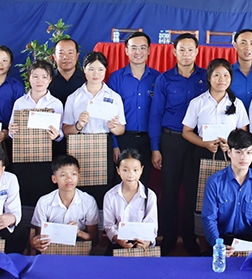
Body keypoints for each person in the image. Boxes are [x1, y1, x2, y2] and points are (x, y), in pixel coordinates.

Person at [148, 33, 206, 255]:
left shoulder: (205, 77)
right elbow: (155, 115)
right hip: (170, 140)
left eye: (190, 50)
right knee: (170, 192)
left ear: (197, 51)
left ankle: (190, 238)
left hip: (197, 142)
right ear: (174, 52)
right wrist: (155, 148)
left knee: (193, 192)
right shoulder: (164, 79)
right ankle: (170, 236)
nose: (186, 54)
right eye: (181, 50)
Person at [182, 59, 250, 232]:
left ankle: (226, 237)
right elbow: (187, 131)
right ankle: (201, 239)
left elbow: (243, 134)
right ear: (209, 78)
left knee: (227, 197)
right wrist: (204, 143)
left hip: (230, 157)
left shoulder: (237, 104)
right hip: (202, 154)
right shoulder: (198, 102)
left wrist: (232, 145)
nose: (222, 79)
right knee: (201, 197)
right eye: (217, 75)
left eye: (226, 75)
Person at [201, 129, 252, 255]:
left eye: (249, 152)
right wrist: (217, 245)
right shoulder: (214, 182)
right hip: (222, 240)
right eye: (238, 152)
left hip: (251, 241)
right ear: (229, 152)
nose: (243, 157)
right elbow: (209, 218)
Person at [62, 51, 126, 193]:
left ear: (105, 70)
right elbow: (66, 130)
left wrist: (113, 127)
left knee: (103, 188)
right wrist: (78, 125)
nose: (95, 73)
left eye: (100, 69)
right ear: (84, 70)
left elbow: (121, 130)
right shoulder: (74, 97)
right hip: (79, 144)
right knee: (79, 187)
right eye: (91, 69)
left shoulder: (114, 97)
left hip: (104, 143)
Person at [9, 60, 64, 206]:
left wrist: (56, 135)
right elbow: (11, 131)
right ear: (29, 78)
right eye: (35, 76)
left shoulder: (55, 103)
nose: (39, 80)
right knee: (24, 195)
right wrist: (12, 131)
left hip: (46, 156)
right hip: (23, 156)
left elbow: (61, 134)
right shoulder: (20, 103)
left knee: (44, 194)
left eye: (44, 77)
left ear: (50, 79)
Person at [107, 31, 159, 186]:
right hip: (123, 139)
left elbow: (158, 114)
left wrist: (155, 147)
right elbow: (109, 115)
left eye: (142, 48)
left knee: (144, 184)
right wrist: (115, 145)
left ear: (149, 51)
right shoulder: (116, 78)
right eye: (133, 48)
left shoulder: (158, 78)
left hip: (147, 140)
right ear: (126, 50)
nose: (138, 52)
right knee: (120, 185)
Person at [30, 155, 99, 253]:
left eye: (73, 174)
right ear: (54, 179)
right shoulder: (44, 202)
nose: (69, 179)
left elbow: (95, 239)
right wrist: (35, 243)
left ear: (79, 176)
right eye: (63, 175)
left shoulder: (88, 201)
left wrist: (79, 233)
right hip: (51, 249)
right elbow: (40, 237)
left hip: (79, 249)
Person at [103, 148, 158, 251]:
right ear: (118, 170)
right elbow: (109, 225)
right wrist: (118, 238)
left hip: (142, 243)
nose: (130, 175)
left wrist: (146, 242)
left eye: (135, 170)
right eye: (125, 170)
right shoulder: (110, 196)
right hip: (119, 242)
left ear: (141, 170)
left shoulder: (150, 195)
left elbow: (152, 224)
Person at [48, 38, 85, 105]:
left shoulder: (86, 80)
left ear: (77, 56)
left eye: (70, 53)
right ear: (54, 57)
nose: (66, 57)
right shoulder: (47, 79)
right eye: (61, 53)